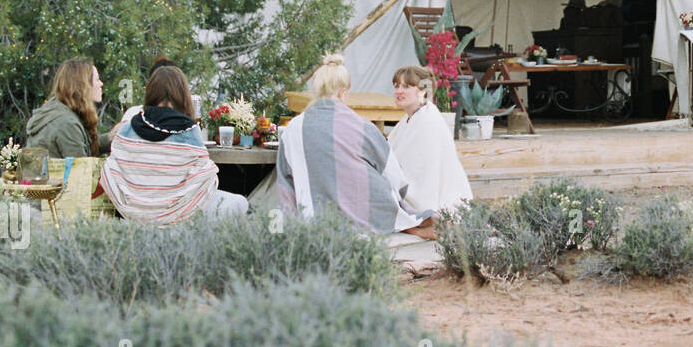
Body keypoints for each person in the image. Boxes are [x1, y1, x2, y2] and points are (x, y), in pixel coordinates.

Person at [277, 54, 435, 239]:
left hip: (312, 218)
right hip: (363, 215)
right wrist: (400, 199)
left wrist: (280, 229)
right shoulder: (361, 126)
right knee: (387, 194)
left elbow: (284, 183)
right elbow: (392, 173)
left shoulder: (293, 128)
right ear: (343, 91)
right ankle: (411, 223)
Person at [100, 65, 247, 223]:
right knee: (240, 203)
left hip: (133, 215)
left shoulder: (128, 127)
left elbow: (112, 169)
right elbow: (205, 178)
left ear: (150, 92)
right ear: (182, 94)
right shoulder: (190, 130)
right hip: (178, 219)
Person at [387, 64, 473, 213]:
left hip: (434, 200)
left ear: (422, 91)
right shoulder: (410, 118)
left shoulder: (427, 119)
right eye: (396, 86)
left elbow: (421, 171)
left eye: (406, 86)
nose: (399, 91)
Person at [25, 58, 103, 158]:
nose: (101, 83)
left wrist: (111, 137)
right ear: (83, 85)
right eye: (97, 80)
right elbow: (81, 169)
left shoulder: (58, 109)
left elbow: (82, 145)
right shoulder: (67, 123)